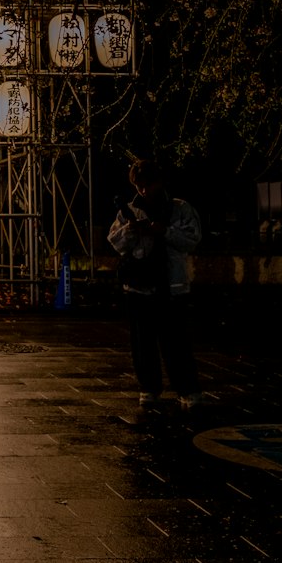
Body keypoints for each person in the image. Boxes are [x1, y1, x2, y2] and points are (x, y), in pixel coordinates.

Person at [107, 159, 202, 409]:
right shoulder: (129, 210)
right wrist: (132, 230)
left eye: (148, 184)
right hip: (139, 286)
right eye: (139, 186)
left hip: (172, 285)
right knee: (142, 344)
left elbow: (192, 240)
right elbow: (115, 242)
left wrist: (164, 231)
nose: (144, 190)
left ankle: (187, 390)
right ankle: (148, 388)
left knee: (176, 343)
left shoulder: (179, 208)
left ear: (160, 182)